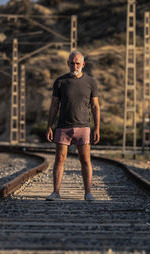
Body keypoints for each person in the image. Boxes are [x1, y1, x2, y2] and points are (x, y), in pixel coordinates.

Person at [46, 51, 100, 201]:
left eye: (77, 63)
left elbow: (95, 106)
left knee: (85, 160)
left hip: (83, 127)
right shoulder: (60, 82)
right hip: (63, 127)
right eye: (72, 63)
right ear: (67, 64)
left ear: (83, 64)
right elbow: (54, 105)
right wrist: (49, 126)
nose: (74, 66)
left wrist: (97, 128)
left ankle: (88, 193)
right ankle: (56, 192)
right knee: (60, 159)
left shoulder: (91, 82)